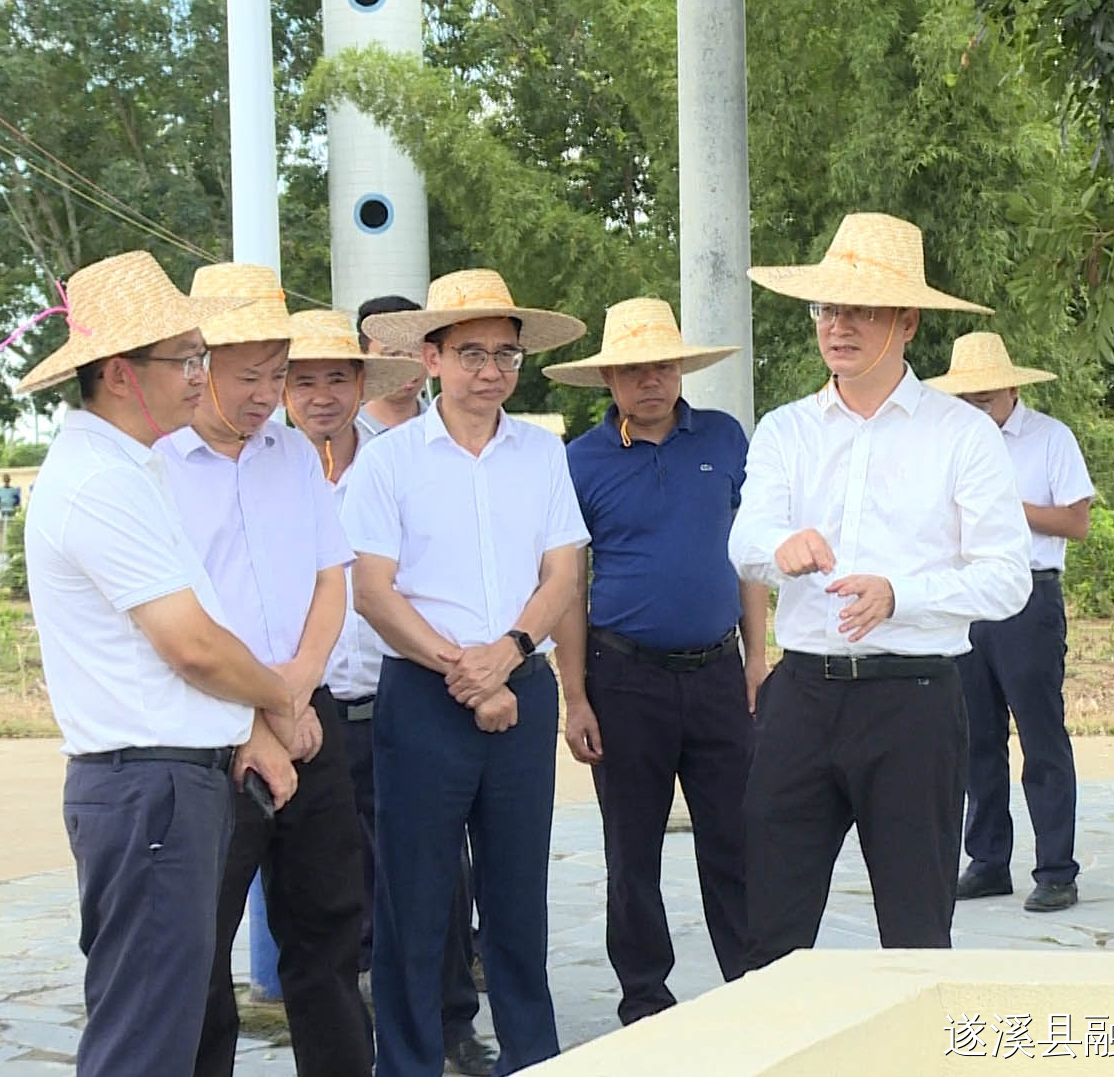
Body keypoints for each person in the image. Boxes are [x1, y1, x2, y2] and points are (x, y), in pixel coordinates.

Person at [16, 250, 299, 1077]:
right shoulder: (100, 482)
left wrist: (248, 720)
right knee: (144, 1041)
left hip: (167, 783)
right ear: (117, 372)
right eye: (184, 359)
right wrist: (279, 698)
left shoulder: (132, 470)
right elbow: (192, 644)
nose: (199, 376)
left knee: (163, 1028)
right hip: (149, 788)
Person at [729, 212, 1033, 969]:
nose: (838, 326)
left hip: (913, 703)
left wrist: (902, 595)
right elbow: (745, 539)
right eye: (827, 307)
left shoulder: (963, 435)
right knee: (771, 926)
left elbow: (1007, 577)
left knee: (916, 928)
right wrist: (777, 547)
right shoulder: (785, 430)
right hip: (802, 695)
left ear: (907, 321)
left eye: (861, 309)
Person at [345, 268, 589, 1075]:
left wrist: (507, 655)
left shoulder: (542, 453)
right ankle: (409, 1061)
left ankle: (532, 1056)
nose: (490, 370)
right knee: (413, 899)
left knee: (518, 896)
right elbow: (372, 591)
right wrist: (464, 670)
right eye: (471, 353)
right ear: (431, 358)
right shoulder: (388, 461)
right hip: (423, 695)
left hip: (522, 684)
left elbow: (562, 572)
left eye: (505, 354)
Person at [152, 264, 372, 1077]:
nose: (266, 394)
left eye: (276, 374)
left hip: (307, 721)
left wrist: (295, 692)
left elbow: (330, 579)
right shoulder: (158, 465)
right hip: (211, 736)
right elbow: (179, 626)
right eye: (249, 376)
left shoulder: (293, 453)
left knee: (330, 927)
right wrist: (258, 715)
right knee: (201, 943)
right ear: (197, 364)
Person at [282, 309, 499, 1076]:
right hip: (304, 711)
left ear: (360, 383)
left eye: (335, 379)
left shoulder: (400, 461)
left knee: (436, 876)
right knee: (326, 891)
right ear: (280, 389)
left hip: (400, 694)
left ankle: (450, 1024)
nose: (320, 396)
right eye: (302, 381)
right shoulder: (265, 468)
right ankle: (352, 1039)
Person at [546, 297, 767, 1025]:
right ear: (608, 378)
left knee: (736, 836)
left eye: (663, 366)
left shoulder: (724, 438)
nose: (651, 380)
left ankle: (751, 980)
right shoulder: (580, 461)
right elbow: (568, 585)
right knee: (631, 849)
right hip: (623, 676)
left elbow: (748, 555)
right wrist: (575, 695)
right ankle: (644, 996)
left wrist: (757, 658)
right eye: (634, 369)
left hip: (718, 672)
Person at [925, 332, 1094, 912]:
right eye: (966, 397)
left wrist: (1006, 508)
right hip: (968, 595)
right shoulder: (947, 443)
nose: (976, 406)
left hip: (1029, 596)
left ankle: (1056, 870)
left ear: (1012, 389)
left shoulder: (1050, 438)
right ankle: (987, 862)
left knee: (1041, 736)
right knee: (975, 738)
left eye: (985, 396)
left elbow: (1076, 522)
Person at [356, 294, 427, 438]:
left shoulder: (448, 427)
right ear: (364, 358)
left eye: (414, 353)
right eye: (393, 354)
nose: (407, 364)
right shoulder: (344, 434)